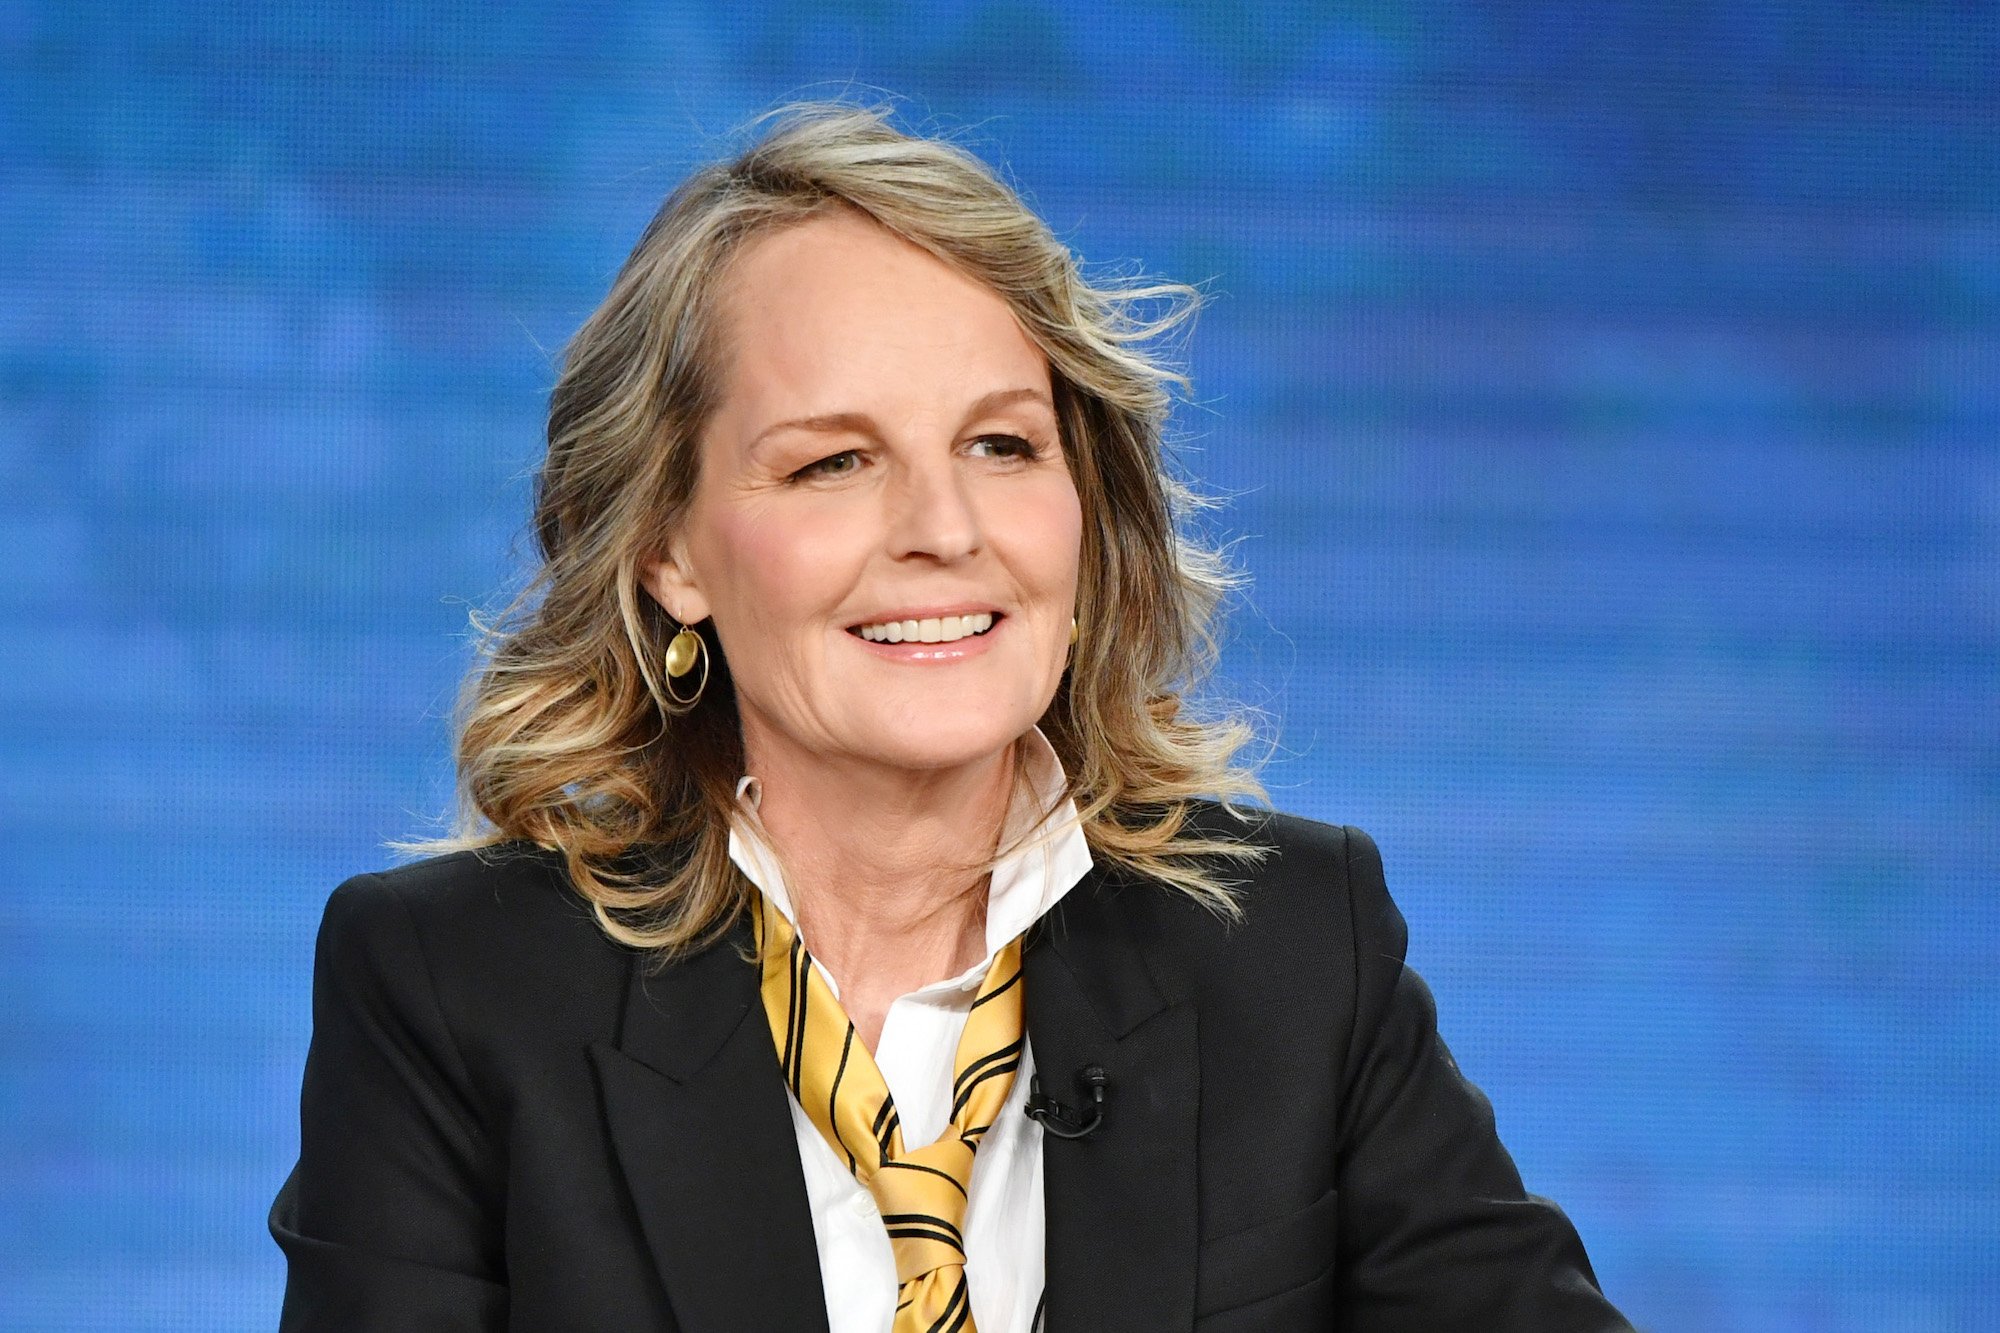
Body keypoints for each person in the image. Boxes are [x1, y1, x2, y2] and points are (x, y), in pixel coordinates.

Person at [269, 102, 1634, 1332]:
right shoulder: (454, 987)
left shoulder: (1290, 950)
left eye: (1001, 445)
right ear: (667, 549)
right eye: (833, 462)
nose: (944, 528)